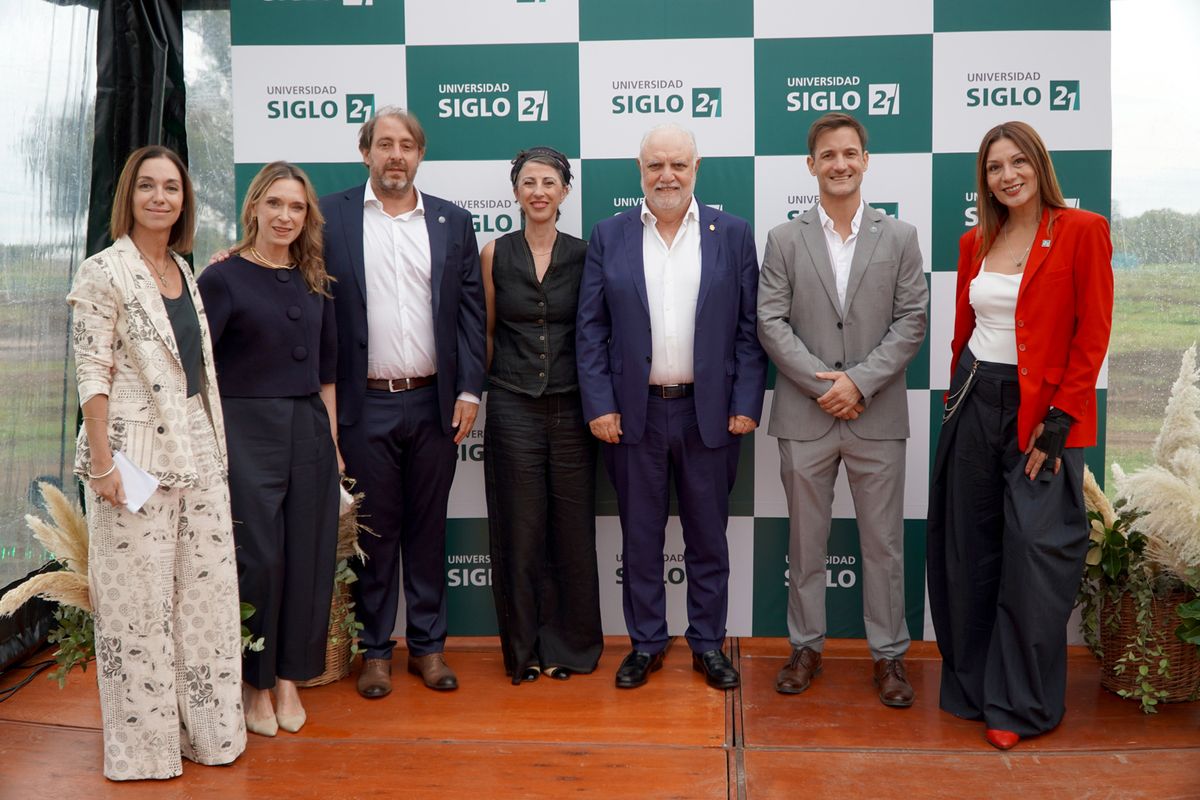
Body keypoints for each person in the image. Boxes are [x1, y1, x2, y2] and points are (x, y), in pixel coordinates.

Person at [927, 121, 1113, 750]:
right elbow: (966, 328)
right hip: (975, 400)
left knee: (1033, 553)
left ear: (1039, 164)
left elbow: (1093, 333)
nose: (1007, 176)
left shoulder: (1082, 230)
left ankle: (1020, 703)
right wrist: (958, 396)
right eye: (994, 167)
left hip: (1044, 415)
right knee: (970, 547)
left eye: (1017, 162)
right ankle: (975, 687)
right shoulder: (975, 240)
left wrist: (1059, 420)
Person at [67, 145, 245, 780]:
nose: (160, 197)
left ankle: (210, 736)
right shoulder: (102, 271)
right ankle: (145, 753)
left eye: (171, 187)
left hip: (197, 446)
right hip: (131, 456)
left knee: (206, 601)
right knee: (137, 608)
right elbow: (92, 373)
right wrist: (103, 463)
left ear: (184, 200)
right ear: (129, 196)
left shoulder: (183, 271)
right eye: (147, 186)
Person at [577, 124, 766, 690]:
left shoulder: (733, 234)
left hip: (708, 414)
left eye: (678, 164)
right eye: (656, 165)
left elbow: (750, 329)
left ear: (696, 169)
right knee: (640, 538)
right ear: (640, 171)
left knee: (708, 537)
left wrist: (745, 401)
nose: (667, 176)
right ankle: (647, 643)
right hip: (633, 414)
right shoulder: (608, 235)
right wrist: (600, 404)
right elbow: (591, 330)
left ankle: (708, 644)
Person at [757, 112, 927, 708]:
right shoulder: (784, 238)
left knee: (884, 544)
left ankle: (889, 656)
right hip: (805, 417)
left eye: (850, 153)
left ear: (865, 160)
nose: (840, 163)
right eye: (828, 154)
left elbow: (912, 321)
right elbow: (770, 322)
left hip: (876, 416)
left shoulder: (900, 236)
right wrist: (822, 386)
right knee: (805, 544)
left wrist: (858, 383)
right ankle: (805, 647)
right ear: (811, 165)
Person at [320, 107, 486, 697]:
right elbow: (285, 269)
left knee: (427, 529)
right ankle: (374, 651)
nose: (396, 155)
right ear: (365, 151)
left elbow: (471, 314)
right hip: (364, 404)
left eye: (407, 145)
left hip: (434, 403)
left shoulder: (452, 221)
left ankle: (429, 648)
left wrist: (469, 389)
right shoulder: (329, 216)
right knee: (375, 532)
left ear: (420, 155)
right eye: (385, 144)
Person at [197, 162, 341, 736]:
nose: (285, 215)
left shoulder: (315, 279)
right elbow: (198, 369)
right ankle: (254, 684)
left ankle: (289, 680)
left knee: (310, 555)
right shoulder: (222, 277)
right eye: (275, 203)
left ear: (308, 217)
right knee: (259, 558)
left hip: (309, 429)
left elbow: (328, 372)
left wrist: (333, 443)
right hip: (245, 429)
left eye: (297, 207)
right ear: (254, 206)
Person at [481, 147, 602, 684]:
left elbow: (596, 332)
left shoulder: (586, 254)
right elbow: (486, 332)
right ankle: (523, 651)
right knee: (520, 529)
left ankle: (568, 649)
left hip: (574, 407)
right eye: (529, 182)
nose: (538, 192)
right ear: (516, 192)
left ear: (564, 192)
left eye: (549, 182)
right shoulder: (494, 253)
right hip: (512, 405)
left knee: (571, 531)